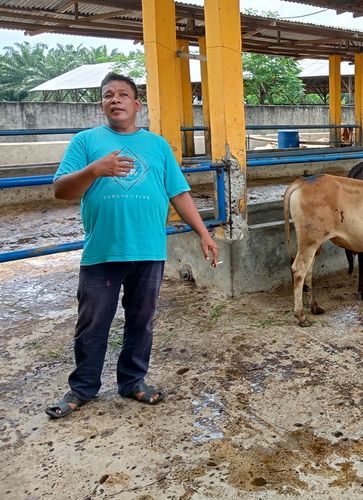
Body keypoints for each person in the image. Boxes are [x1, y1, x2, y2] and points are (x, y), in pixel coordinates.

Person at [45, 73, 219, 419]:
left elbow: (178, 193)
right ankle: (82, 388)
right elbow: (61, 189)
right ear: (102, 105)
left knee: (142, 320)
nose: (116, 99)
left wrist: (203, 232)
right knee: (93, 322)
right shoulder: (85, 142)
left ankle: (132, 381)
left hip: (149, 249)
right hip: (103, 250)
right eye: (108, 95)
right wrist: (94, 170)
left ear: (136, 105)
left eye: (123, 94)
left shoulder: (157, 146)